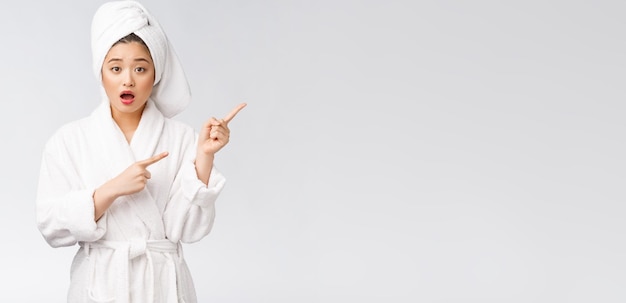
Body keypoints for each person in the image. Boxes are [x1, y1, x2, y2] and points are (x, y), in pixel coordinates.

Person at [35, 1, 245, 302]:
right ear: (101, 72)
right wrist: (108, 192)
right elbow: (50, 225)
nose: (128, 79)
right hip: (99, 287)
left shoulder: (181, 138)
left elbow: (185, 230)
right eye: (116, 67)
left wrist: (205, 157)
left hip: (162, 286)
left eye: (140, 68)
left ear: (155, 74)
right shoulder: (69, 141)